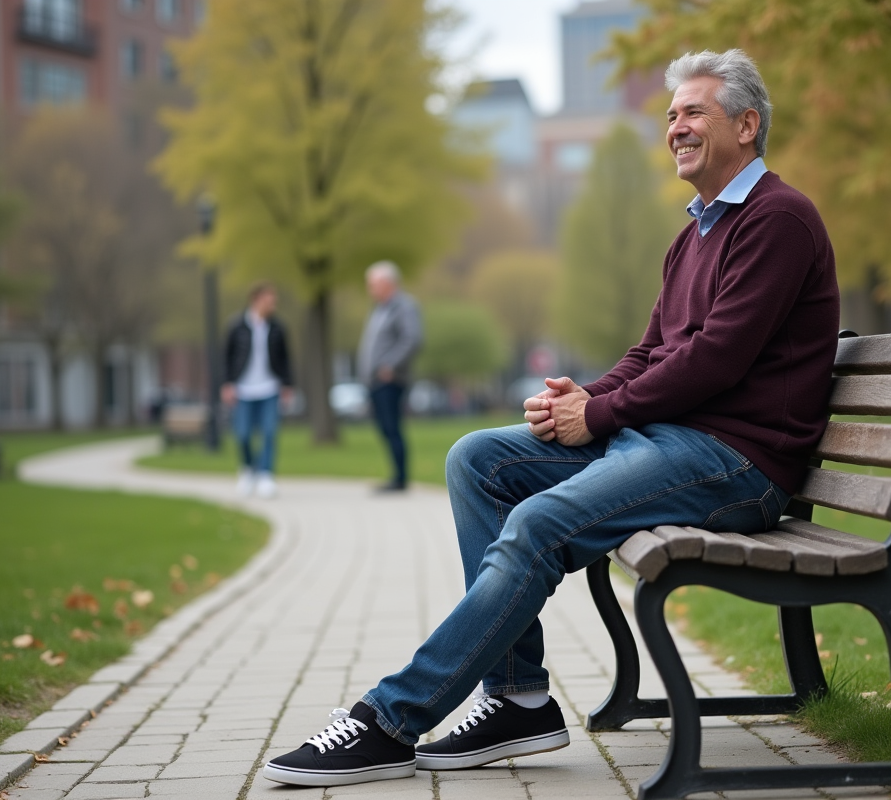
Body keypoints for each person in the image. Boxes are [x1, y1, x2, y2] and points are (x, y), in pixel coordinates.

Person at [262, 49, 840, 786]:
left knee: (539, 522)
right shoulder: (693, 232)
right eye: (670, 115)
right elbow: (653, 351)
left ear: (748, 124)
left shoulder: (777, 220)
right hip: (675, 442)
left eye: (694, 111)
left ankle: (388, 718)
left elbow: (716, 362)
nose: (676, 127)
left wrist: (600, 415)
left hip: (740, 464)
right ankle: (518, 698)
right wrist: (584, 398)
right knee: (478, 459)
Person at [222, 282, 294, 499]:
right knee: (243, 434)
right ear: (255, 299)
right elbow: (226, 357)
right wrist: (227, 384)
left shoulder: (278, 327)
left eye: (274, 301)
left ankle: (265, 475)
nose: (272, 304)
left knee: (269, 433)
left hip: (269, 388)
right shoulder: (236, 326)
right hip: (243, 388)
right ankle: (247, 469)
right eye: (268, 300)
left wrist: (288, 385)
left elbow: (286, 359)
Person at [357, 261, 423, 492]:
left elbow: (412, 339)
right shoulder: (380, 308)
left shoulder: (403, 306)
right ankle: (397, 476)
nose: (370, 289)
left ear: (388, 283)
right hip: (375, 381)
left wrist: (389, 366)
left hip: (390, 380)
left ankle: (400, 479)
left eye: (373, 284)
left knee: (392, 427)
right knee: (385, 428)